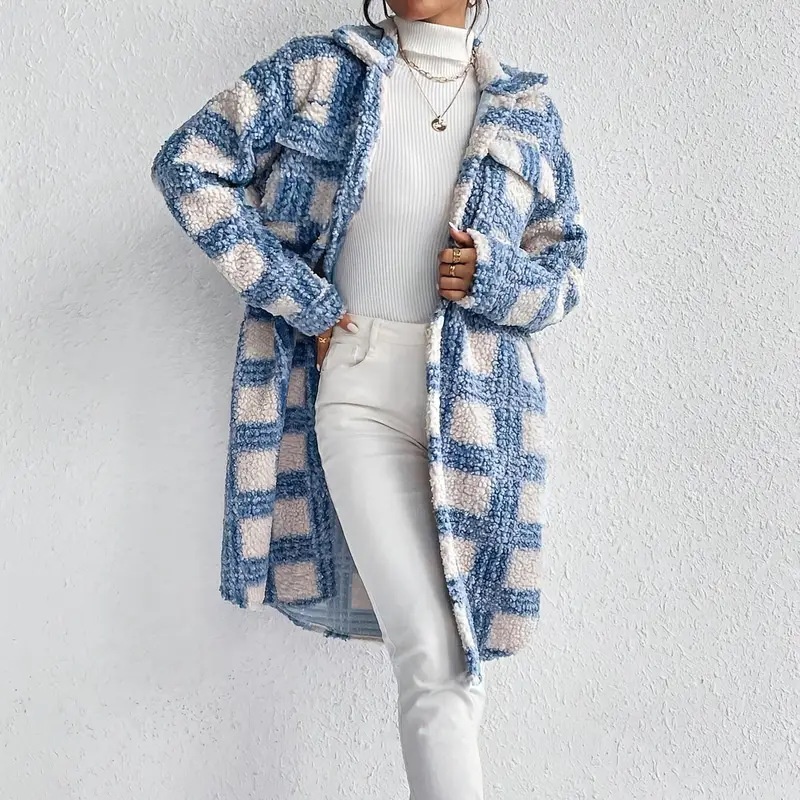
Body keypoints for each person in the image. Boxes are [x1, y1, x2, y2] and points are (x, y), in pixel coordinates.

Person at [151, 2, 588, 798]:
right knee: (434, 655)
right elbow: (189, 165)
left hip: (481, 411)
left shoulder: (526, 110)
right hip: (358, 391)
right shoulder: (321, 71)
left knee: (456, 659)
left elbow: (566, 275)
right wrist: (302, 299)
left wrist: (494, 278)